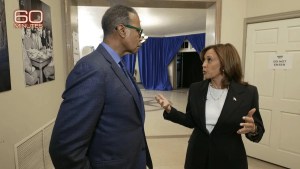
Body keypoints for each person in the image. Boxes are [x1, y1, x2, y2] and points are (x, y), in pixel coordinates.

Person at [49, 4, 152, 169]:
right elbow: (65, 148)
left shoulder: (119, 65)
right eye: (138, 31)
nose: (140, 37)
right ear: (122, 30)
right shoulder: (92, 68)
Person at [155, 43, 264, 169]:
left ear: (224, 63)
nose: (203, 65)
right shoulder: (196, 89)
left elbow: (258, 132)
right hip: (197, 156)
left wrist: (253, 129)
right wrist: (169, 110)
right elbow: (191, 121)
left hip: (229, 159)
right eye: (204, 60)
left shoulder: (248, 92)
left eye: (209, 60)